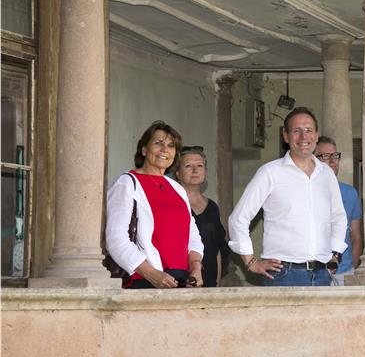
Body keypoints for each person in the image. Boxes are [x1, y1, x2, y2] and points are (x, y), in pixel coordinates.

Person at [228, 107, 347, 287]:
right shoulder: (270, 173)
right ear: (286, 136)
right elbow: (238, 218)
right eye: (296, 131)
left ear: (316, 135)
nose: (303, 137)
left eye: (308, 131)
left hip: (323, 274)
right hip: (283, 275)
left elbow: (338, 217)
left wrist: (336, 253)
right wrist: (251, 262)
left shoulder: (326, 175)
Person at [105, 120, 204, 288]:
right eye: (158, 143)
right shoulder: (127, 183)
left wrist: (196, 267)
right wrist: (152, 274)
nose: (165, 150)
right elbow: (116, 239)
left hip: (181, 281)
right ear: (144, 149)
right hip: (144, 279)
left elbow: (192, 235)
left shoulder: (177, 189)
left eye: (171, 145)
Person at [175, 146, 232, 287]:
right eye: (188, 166)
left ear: (205, 172)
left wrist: (217, 282)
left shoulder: (212, 207)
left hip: (209, 280)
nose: (195, 170)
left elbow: (217, 249)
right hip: (180, 279)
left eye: (199, 166)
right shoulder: (172, 204)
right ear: (177, 173)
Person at [315, 136, 363, 286]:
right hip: (313, 270)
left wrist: (353, 267)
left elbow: (355, 236)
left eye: (335, 155)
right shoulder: (305, 191)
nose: (333, 160)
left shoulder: (350, 192)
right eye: (325, 156)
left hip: (344, 271)